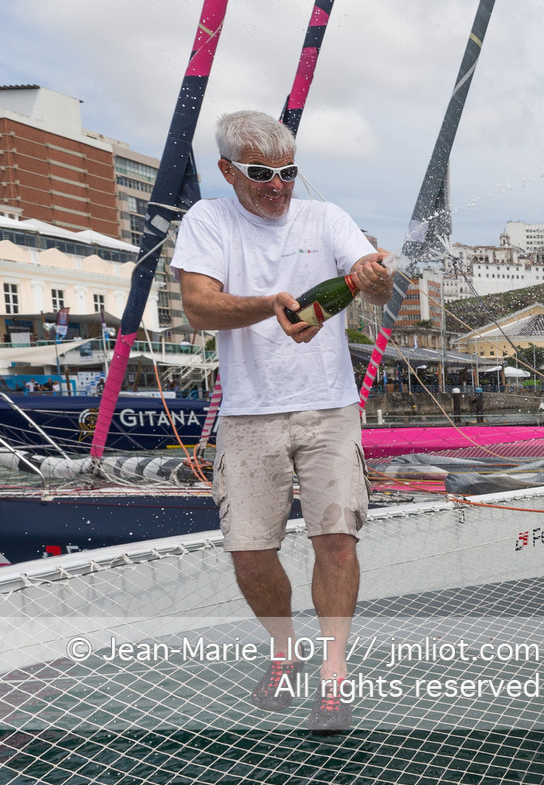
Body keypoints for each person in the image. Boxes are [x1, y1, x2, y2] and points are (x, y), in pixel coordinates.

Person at [171, 110, 393, 734]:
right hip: (247, 414)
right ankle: (283, 648)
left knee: (336, 542)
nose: (277, 185)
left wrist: (373, 277)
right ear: (228, 171)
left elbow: (367, 282)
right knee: (249, 553)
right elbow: (198, 307)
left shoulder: (326, 219)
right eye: (261, 173)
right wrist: (271, 305)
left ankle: (333, 671)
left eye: (288, 172)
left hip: (330, 407)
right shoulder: (209, 220)